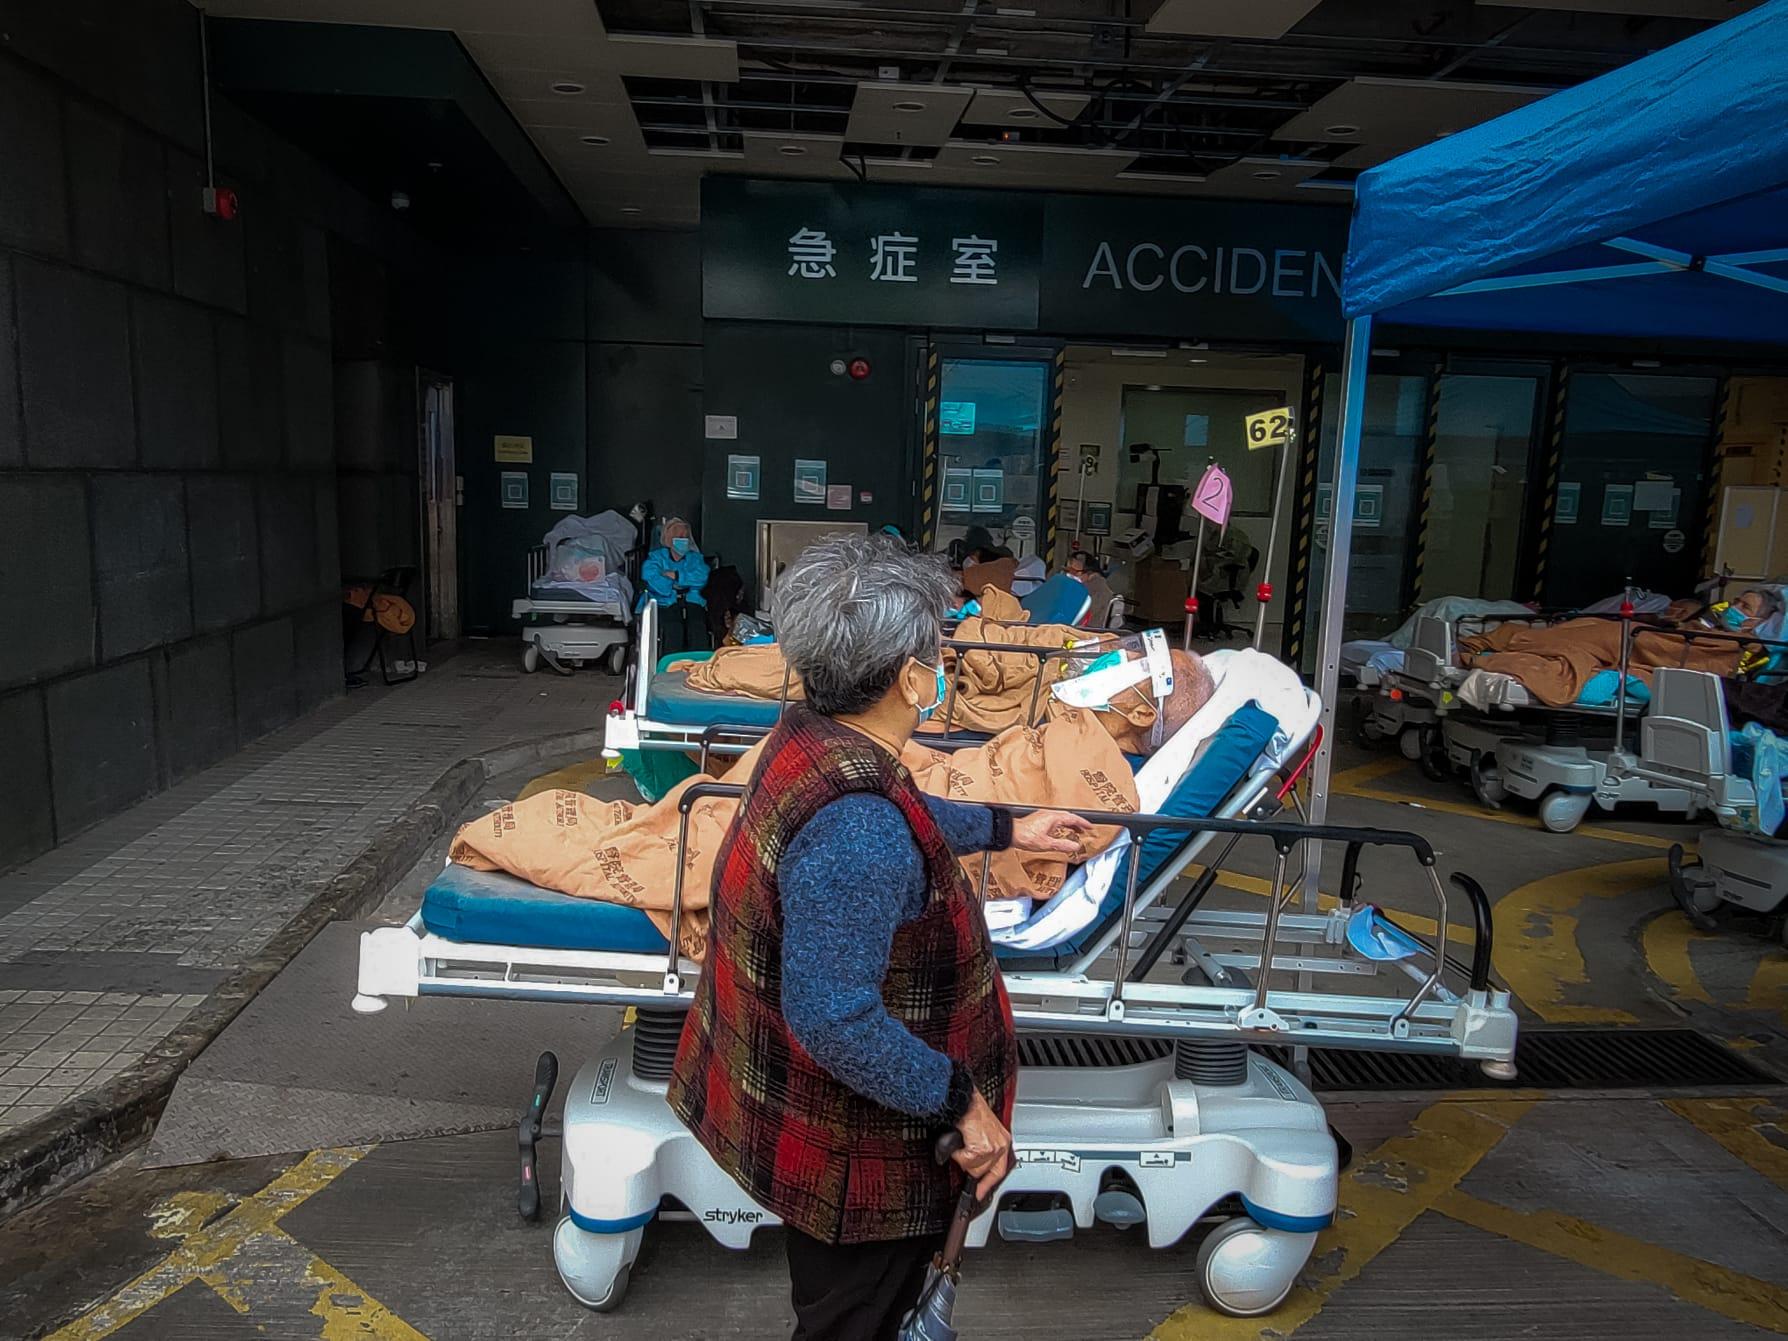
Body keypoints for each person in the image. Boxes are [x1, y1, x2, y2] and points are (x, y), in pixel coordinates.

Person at [669, 534, 1092, 1341]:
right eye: (936, 652)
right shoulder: (858, 832)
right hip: (860, 1165)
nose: (943, 665)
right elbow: (836, 1017)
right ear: (908, 678)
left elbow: (895, 808)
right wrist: (963, 1102)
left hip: (830, 1128)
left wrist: (1007, 827)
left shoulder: (814, 738)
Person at [638, 516, 710, 653]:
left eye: (686, 537)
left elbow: (701, 577)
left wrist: (676, 575)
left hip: (692, 600)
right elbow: (651, 578)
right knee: (673, 628)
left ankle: (699, 663)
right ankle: (671, 662)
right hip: (664, 602)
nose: (683, 540)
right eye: (679, 536)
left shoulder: (695, 558)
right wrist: (681, 583)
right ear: (668, 539)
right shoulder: (656, 557)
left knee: (697, 627)